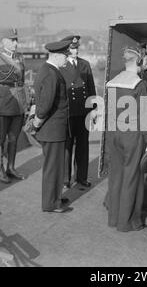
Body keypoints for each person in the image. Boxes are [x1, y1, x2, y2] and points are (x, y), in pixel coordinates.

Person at [105, 46, 147, 232]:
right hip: (132, 136)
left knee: (116, 176)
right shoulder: (139, 84)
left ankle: (113, 218)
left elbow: (110, 113)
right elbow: (144, 116)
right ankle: (127, 222)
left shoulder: (112, 82)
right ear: (139, 62)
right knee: (131, 177)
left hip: (114, 134)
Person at [0, 28, 28, 183]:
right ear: (4, 41)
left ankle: (11, 168)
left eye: (16, 40)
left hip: (18, 105)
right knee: (0, 140)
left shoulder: (21, 58)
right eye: (12, 40)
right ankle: (0, 171)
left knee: (14, 138)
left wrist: (25, 103)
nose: (16, 43)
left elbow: (22, 83)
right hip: (1, 105)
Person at [32, 40, 72, 213]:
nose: (67, 59)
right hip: (52, 129)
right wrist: (37, 121)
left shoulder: (50, 70)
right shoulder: (51, 73)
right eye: (65, 55)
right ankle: (50, 204)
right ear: (56, 55)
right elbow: (46, 104)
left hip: (54, 129)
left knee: (56, 166)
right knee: (52, 167)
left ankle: (55, 197)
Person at [59, 35, 97, 189]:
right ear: (67, 49)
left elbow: (91, 87)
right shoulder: (61, 66)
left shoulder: (84, 64)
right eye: (72, 48)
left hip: (83, 111)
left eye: (76, 48)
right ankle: (65, 179)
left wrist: (94, 109)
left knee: (82, 146)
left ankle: (81, 177)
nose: (75, 50)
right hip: (69, 111)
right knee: (67, 147)